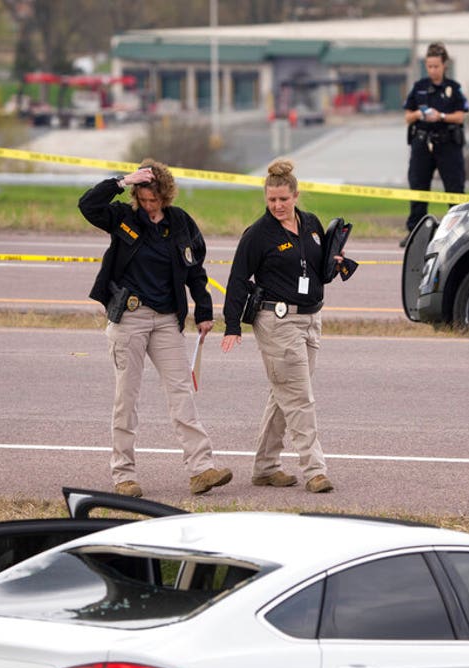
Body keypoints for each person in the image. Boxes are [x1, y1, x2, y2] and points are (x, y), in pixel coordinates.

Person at [78, 159, 232, 497]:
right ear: (136, 194)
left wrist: (203, 311)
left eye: (155, 201)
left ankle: (201, 469)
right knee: (126, 399)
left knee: (181, 393)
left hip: (166, 321)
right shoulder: (122, 217)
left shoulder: (180, 224)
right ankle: (124, 476)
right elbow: (87, 205)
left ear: (166, 196)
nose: (150, 207)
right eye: (144, 200)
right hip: (129, 317)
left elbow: (196, 270)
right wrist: (120, 182)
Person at [221, 159, 341, 494]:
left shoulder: (312, 225)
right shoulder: (258, 235)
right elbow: (237, 280)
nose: (277, 206)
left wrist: (337, 264)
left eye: (283, 200)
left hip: (311, 318)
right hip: (277, 321)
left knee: (284, 394)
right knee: (300, 397)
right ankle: (314, 469)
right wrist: (232, 325)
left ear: (295, 195)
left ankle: (265, 467)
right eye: (271, 200)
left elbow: (319, 269)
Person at [403, 41, 469, 246]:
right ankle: (415, 232)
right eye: (429, 66)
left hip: (447, 143)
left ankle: (457, 231)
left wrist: (440, 116)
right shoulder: (419, 87)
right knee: (418, 186)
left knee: (454, 188)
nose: (433, 70)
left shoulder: (453, 88)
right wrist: (420, 114)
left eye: (436, 66)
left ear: (444, 65)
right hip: (422, 143)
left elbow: (460, 116)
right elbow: (408, 116)